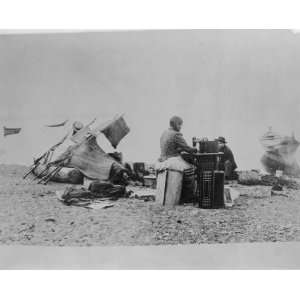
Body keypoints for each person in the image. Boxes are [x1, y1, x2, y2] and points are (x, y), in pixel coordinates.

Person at [158, 116, 197, 203]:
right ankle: (188, 197)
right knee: (190, 169)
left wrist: (179, 149)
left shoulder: (165, 133)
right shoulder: (176, 134)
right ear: (175, 124)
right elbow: (187, 148)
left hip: (163, 159)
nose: (180, 127)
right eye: (180, 125)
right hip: (172, 160)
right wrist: (196, 148)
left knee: (185, 166)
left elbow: (169, 147)